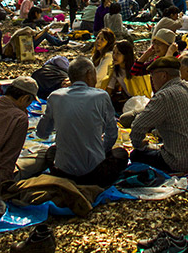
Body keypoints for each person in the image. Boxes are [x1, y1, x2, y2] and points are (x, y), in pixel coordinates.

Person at [38, 57, 128, 187]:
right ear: (89, 75)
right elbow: (112, 133)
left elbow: (41, 133)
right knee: (121, 153)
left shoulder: (54, 96)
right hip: (95, 173)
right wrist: (102, 150)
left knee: (52, 151)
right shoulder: (101, 96)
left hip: (63, 172)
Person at [129, 57, 188, 173]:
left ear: (163, 76)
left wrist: (140, 145)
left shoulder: (164, 96)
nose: (152, 80)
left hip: (181, 163)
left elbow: (137, 127)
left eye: (153, 75)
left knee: (136, 155)